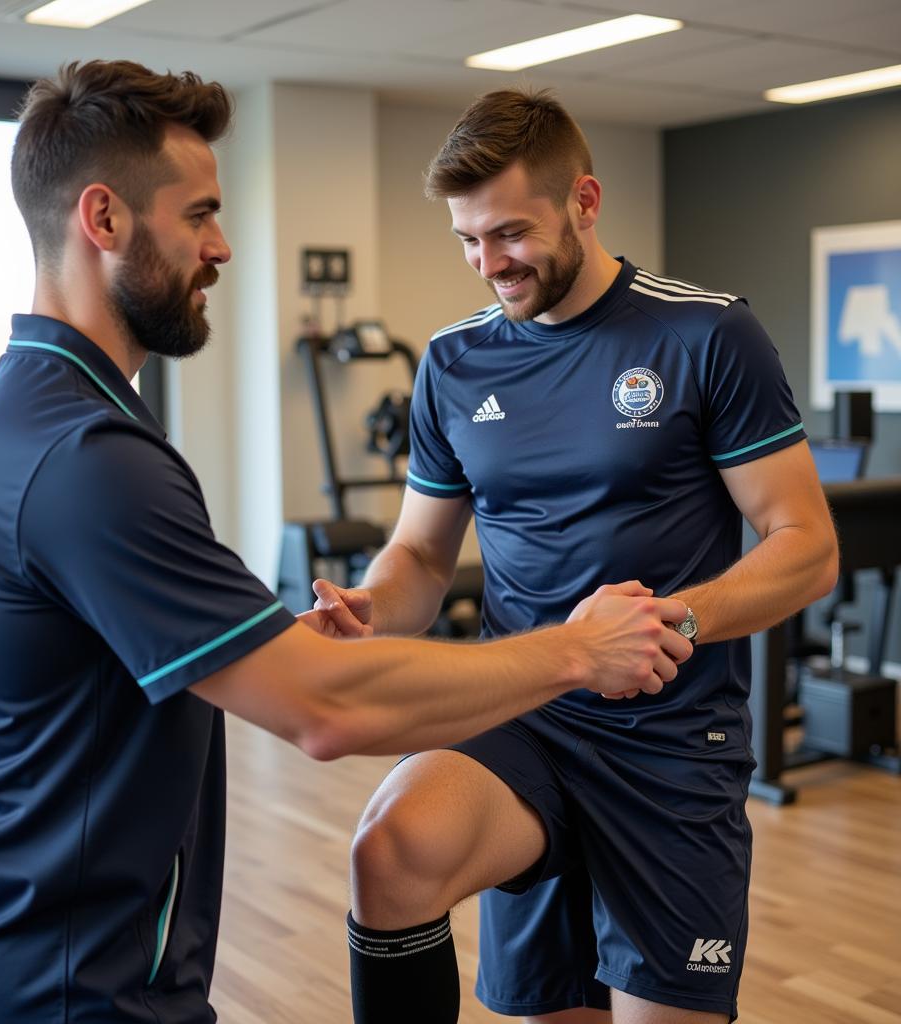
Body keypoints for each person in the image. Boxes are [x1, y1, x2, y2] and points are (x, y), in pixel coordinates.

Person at [0, 64, 693, 1024]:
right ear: (103, 220)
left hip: (22, 970)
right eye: (199, 215)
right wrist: (575, 649)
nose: (222, 246)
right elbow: (326, 712)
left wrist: (279, 635)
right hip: (61, 996)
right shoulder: (85, 458)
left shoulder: (27, 418)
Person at [314, 89, 839, 1024]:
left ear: (585, 203)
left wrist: (670, 620)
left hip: (670, 741)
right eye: (468, 241)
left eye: (509, 234)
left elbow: (805, 549)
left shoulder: (707, 333)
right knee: (390, 850)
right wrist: (368, 607)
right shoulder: (453, 363)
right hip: (526, 713)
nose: (488, 264)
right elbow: (421, 559)